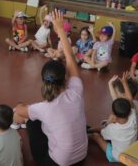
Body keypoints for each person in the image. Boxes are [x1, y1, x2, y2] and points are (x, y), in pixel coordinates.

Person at [13, 10, 87, 166]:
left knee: (32, 122)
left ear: (43, 80)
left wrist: (21, 107)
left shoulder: (44, 108)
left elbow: (17, 111)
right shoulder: (76, 92)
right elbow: (70, 58)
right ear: (65, 77)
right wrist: (60, 30)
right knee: (39, 119)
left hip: (58, 163)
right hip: (81, 158)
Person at [89, 72, 137, 162]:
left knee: (96, 136)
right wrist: (123, 82)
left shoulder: (113, 128)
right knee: (101, 128)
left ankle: (89, 133)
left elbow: (104, 134)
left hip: (117, 157)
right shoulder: (132, 116)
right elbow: (129, 99)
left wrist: (109, 122)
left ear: (114, 114)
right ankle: (91, 129)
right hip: (130, 150)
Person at [108, 73, 138, 138]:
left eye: (116, 92)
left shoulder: (127, 108)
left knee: (112, 118)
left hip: (135, 136)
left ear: (124, 95)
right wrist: (110, 84)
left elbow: (115, 99)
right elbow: (115, 99)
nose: (115, 93)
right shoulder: (136, 103)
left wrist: (110, 83)